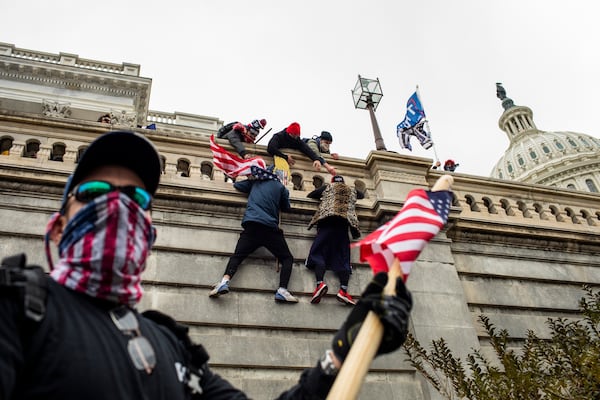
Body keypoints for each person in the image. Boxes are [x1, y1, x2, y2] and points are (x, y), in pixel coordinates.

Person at [0, 130, 413, 399]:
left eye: (137, 199)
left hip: (254, 226)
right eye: (93, 192)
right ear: (55, 229)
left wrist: (343, 350)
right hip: (266, 228)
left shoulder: (171, 347)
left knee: (246, 256)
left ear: (150, 232)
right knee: (282, 258)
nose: (117, 206)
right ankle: (271, 284)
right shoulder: (15, 309)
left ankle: (230, 279)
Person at [209, 165, 299, 303]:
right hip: (270, 229)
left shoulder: (255, 182)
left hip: (251, 226)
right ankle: (282, 290)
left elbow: (238, 185)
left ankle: (224, 281)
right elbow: (287, 207)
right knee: (287, 258)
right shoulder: (280, 187)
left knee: (237, 256)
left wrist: (252, 179)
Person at [305, 175, 364, 306]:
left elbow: (311, 194)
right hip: (343, 226)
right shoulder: (351, 190)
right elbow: (362, 195)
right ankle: (343, 290)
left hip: (327, 223)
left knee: (318, 253)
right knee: (343, 258)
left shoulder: (327, 187)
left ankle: (320, 284)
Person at [267, 122, 336, 178]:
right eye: (294, 135)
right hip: (277, 162)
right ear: (289, 133)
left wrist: (316, 159)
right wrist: (285, 157)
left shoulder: (297, 140)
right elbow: (271, 148)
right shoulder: (279, 136)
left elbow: (308, 150)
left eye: (297, 136)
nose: (295, 138)